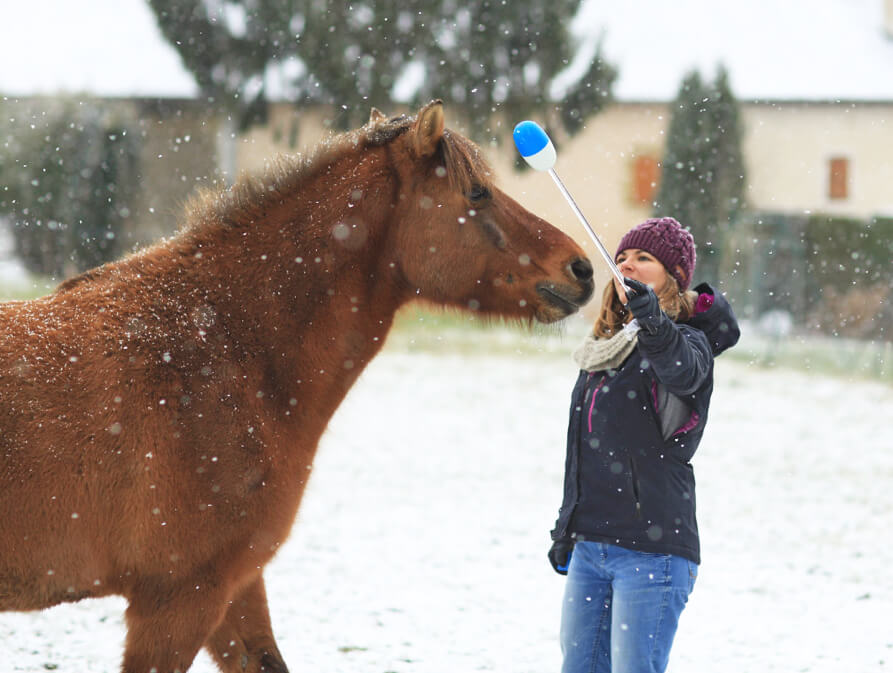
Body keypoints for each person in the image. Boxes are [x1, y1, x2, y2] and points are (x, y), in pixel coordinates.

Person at [548, 217, 740, 673]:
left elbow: (683, 372)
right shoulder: (605, 350)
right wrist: (567, 527)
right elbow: (585, 453)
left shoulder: (688, 343)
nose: (627, 265)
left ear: (671, 278)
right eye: (622, 258)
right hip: (592, 546)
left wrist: (652, 318)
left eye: (644, 258)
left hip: (652, 553)